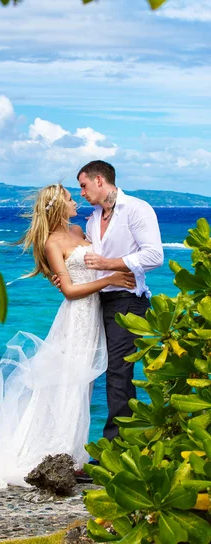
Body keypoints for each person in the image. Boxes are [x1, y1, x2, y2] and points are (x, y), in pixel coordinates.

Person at [0, 183, 135, 496]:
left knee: (82, 385)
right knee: (69, 383)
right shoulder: (52, 242)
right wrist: (111, 278)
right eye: (70, 198)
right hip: (76, 318)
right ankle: (63, 454)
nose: (76, 201)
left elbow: (94, 260)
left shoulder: (79, 229)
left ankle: (72, 452)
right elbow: (71, 290)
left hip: (94, 317)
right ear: (57, 206)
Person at [75, 160, 163, 440]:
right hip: (97, 300)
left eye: (83, 186)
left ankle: (117, 448)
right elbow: (90, 262)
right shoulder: (92, 219)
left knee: (118, 373)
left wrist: (110, 263)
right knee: (94, 370)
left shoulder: (137, 209)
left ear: (99, 180)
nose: (82, 193)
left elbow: (154, 256)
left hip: (128, 299)